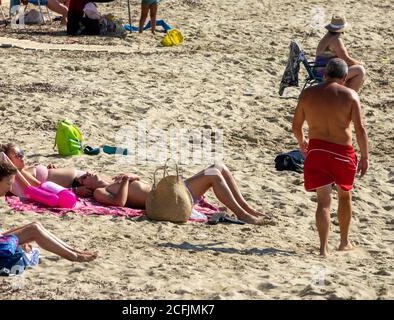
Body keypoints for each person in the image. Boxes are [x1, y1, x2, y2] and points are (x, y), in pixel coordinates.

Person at [292, 58, 369, 257]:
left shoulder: (308, 94)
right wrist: (365, 157)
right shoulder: (350, 95)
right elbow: (360, 130)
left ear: (324, 75)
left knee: (323, 202)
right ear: (345, 77)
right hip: (342, 152)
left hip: (317, 151)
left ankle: (323, 248)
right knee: (345, 195)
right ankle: (344, 242)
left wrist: (302, 142)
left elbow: (296, 126)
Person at [0, 162, 97, 262]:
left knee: (36, 225)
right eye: (8, 183)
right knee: (34, 229)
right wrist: (10, 243)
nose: (10, 188)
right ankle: (74, 256)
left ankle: (74, 251)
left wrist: (16, 240)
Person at [74, 163, 273, 225]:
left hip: (171, 192)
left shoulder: (112, 178)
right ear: (87, 187)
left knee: (218, 166)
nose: (88, 173)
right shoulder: (101, 191)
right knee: (213, 174)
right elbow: (119, 204)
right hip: (166, 201)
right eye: (83, 178)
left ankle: (247, 208)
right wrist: (127, 180)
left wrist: (132, 176)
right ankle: (242, 214)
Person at [0, 142, 87, 197]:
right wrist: (75, 190)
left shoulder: (23, 170)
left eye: (21, 153)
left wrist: (49, 170)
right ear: (9, 161)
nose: (22, 157)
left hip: (79, 178)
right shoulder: (20, 174)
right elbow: (41, 188)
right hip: (77, 183)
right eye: (17, 155)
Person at [315, 15, 366, 92]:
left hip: (319, 70)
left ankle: (343, 94)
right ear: (342, 30)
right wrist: (359, 63)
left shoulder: (327, 36)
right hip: (326, 73)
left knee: (353, 69)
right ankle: (348, 98)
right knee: (360, 70)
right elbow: (346, 59)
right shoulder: (336, 40)